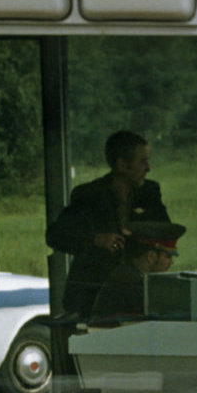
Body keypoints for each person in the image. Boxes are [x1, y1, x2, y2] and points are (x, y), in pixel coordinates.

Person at [47, 130, 171, 318]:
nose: (148, 168)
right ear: (122, 165)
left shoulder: (150, 192)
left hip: (136, 297)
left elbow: (166, 232)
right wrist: (95, 239)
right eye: (142, 161)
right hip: (92, 298)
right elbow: (56, 235)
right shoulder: (89, 195)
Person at [87, 222, 186, 320]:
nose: (171, 262)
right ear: (150, 257)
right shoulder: (130, 283)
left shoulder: (131, 274)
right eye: (168, 256)